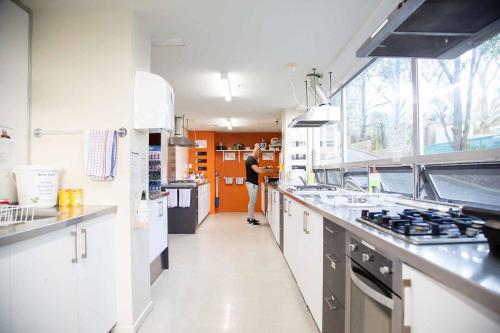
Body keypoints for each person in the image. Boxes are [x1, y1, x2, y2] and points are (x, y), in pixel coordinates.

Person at [245, 144, 273, 225]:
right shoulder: (251, 160)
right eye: (259, 155)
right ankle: (250, 219)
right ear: (257, 152)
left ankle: (251, 218)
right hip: (252, 183)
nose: (259, 157)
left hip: (252, 183)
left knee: (252, 202)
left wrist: (266, 167)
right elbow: (258, 170)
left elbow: (258, 169)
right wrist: (268, 171)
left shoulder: (252, 159)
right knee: (252, 202)